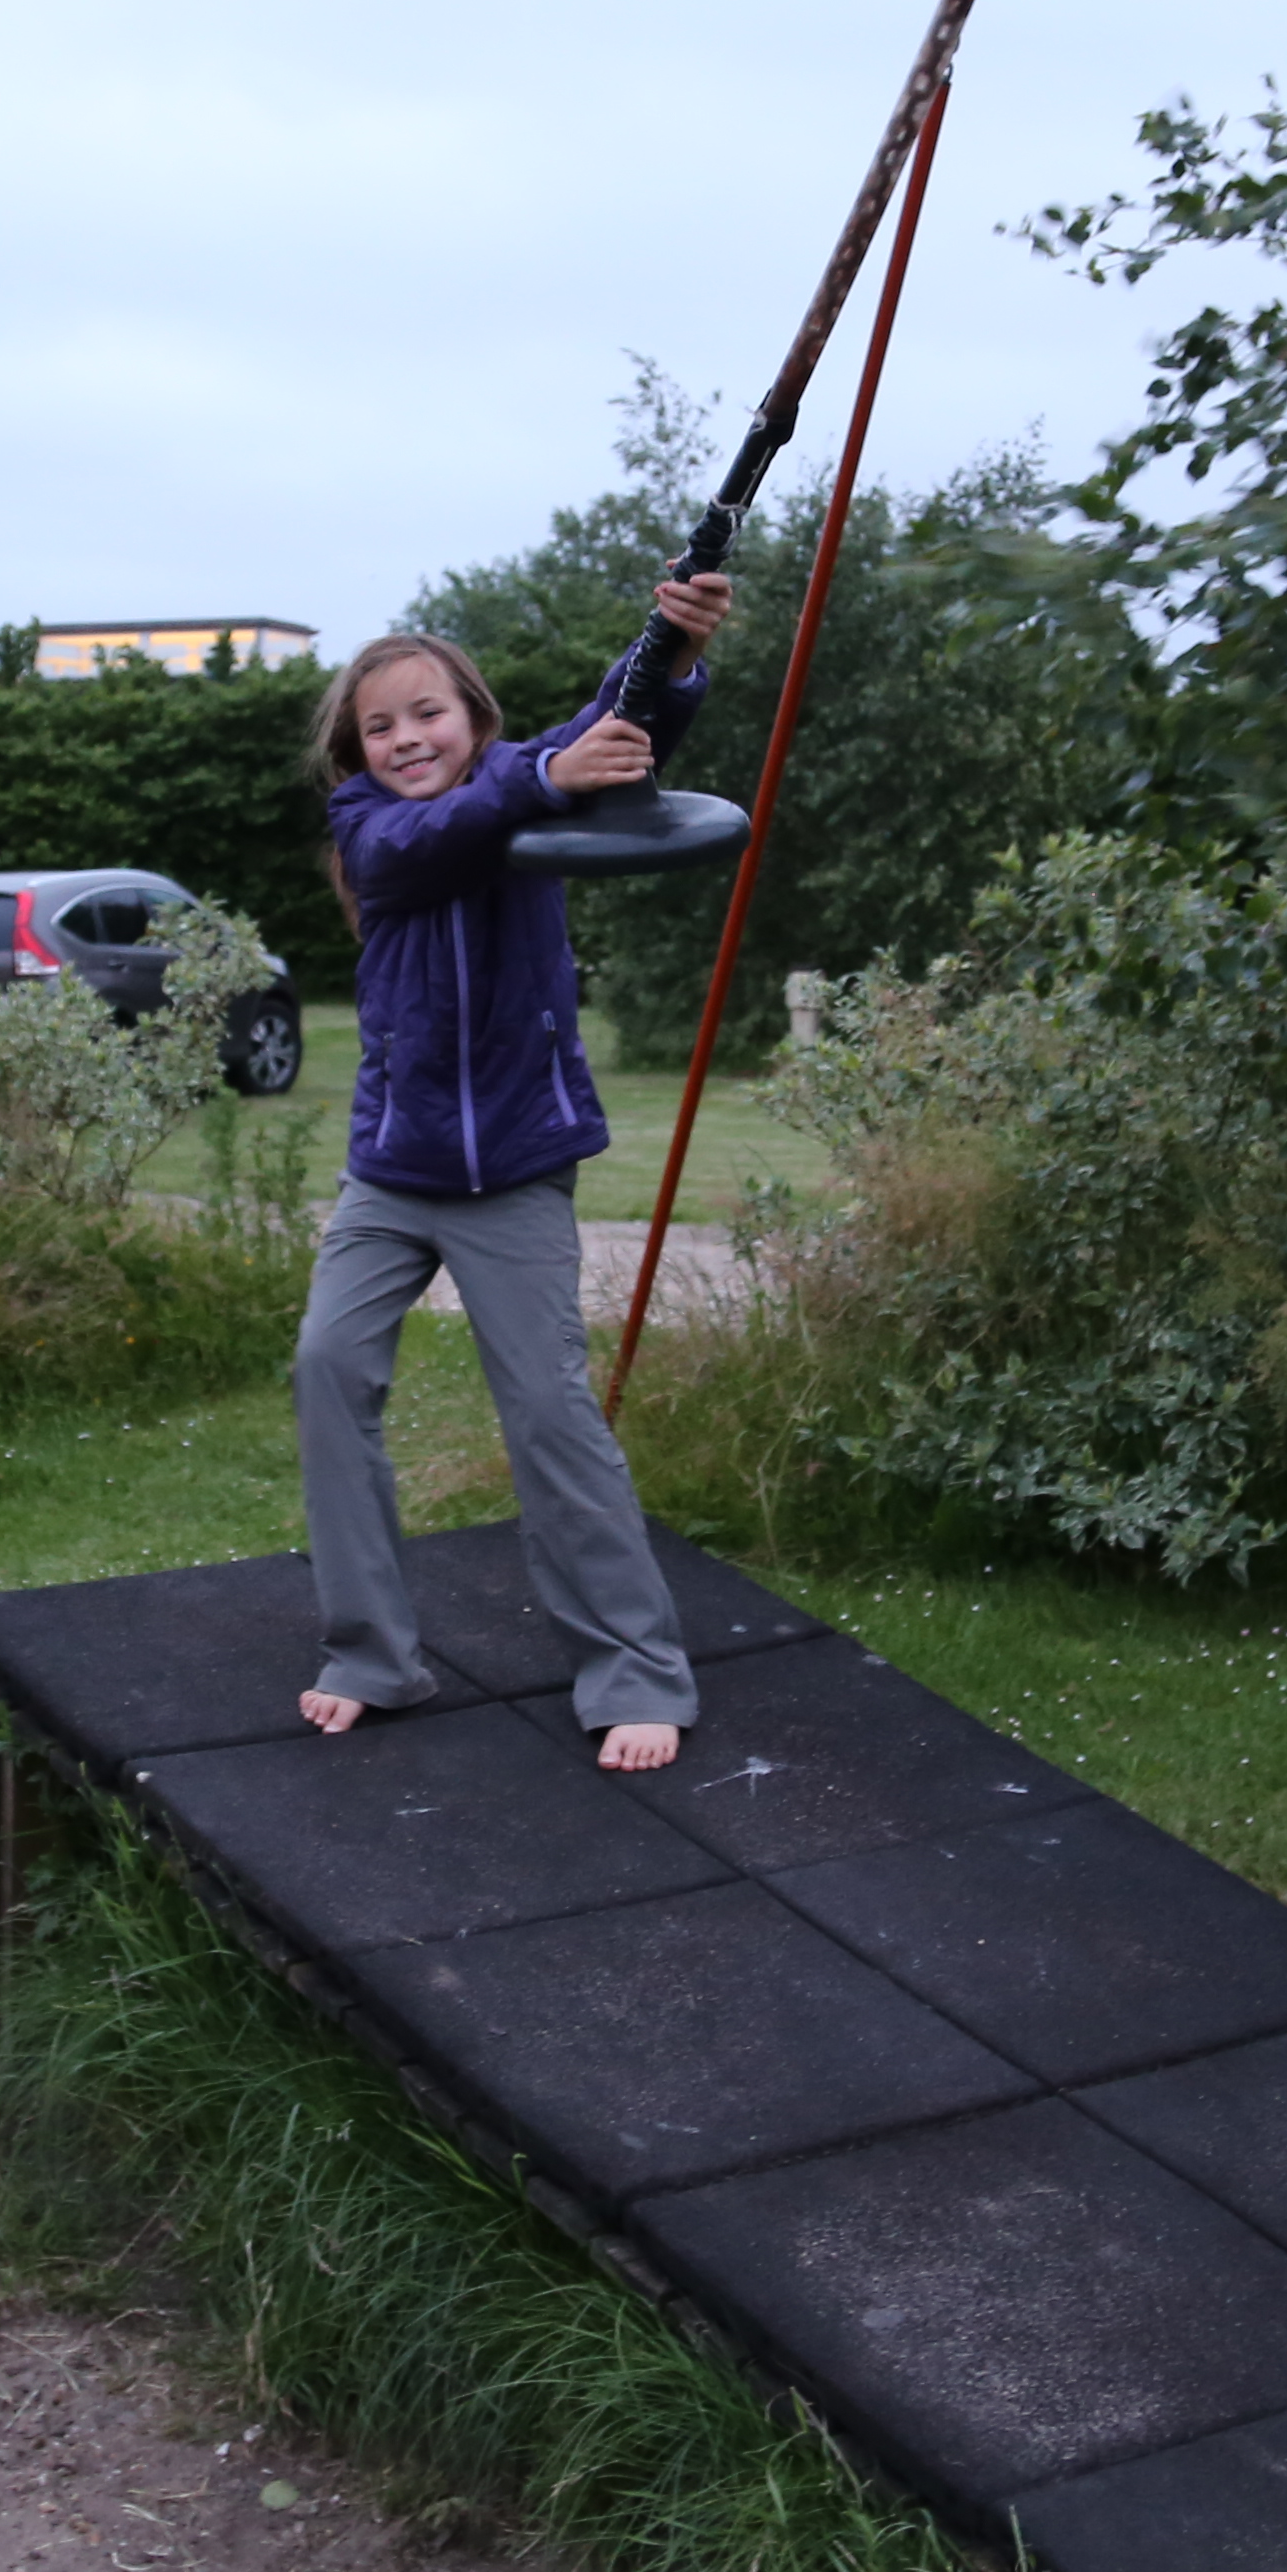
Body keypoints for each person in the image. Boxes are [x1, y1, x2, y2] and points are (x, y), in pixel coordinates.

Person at [288, 576, 735, 1772]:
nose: (405, 740)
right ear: (357, 752)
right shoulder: (372, 828)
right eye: (380, 727)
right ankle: (371, 1654)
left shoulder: (519, 780)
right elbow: (439, 840)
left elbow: (619, 726)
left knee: (547, 1408)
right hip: (394, 1171)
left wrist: (673, 645)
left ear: (473, 720)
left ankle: (634, 1671)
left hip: (519, 1171)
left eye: (427, 714)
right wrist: (539, 780)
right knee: (328, 1365)